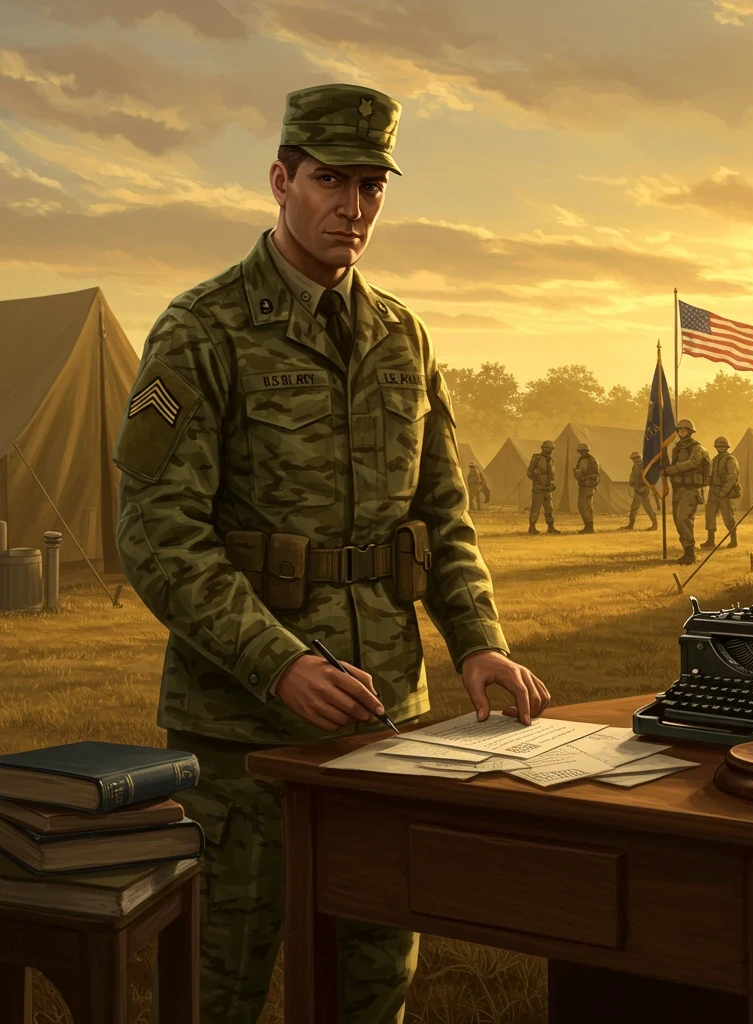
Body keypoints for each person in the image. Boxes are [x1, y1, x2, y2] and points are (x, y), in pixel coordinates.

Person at [112, 82, 551, 1024]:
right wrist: (280, 664)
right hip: (242, 738)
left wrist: (478, 642)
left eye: (370, 185)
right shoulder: (201, 331)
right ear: (280, 180)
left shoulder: (404, 337)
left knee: (373, 980)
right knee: (221, 981)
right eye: (328, 180)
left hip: (384, 720)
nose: (352, 208)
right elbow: (155, 530)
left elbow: (444, 516)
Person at [664, 418, 709, 565]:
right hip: (678, 488)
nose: (681, 433)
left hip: (691, 489)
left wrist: (672, 470)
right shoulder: (676, 448)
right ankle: (687, 551)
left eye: (684, 430)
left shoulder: (697, 448)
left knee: (683, 519)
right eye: (679, 431)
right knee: (678, 521)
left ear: (690, 432)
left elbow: (693, 463)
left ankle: (690, 554)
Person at [703, 436, 740, 549]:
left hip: (725, 493)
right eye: (718, 446)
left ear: (727, 447)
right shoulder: (714, 460)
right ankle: (710, 540)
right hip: (714, 491)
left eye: (722, 446)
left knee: (728, 516)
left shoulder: (730, 460)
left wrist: (723, 492)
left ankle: (733, 540)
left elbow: (732, 477)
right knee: (710, 516)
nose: (720, 448)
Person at [526, 440, 560, 534]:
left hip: (548, 489)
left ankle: (550, 527)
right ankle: (532, 527)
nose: (550, 451)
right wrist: (537, 477)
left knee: (549, 509)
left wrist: (551, 483)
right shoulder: (536, 458)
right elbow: (529, 473)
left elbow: (551, 474)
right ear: (543, 448)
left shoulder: (550, 460)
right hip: (538, 488)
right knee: (535, 508)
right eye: (549, 449)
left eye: (551, 449)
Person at [620, 450, 658, 531]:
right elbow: (634, 477)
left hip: (643, 489)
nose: (634, 460)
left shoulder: (643, 466)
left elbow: (645, 478)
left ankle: (654, 524)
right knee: (635, 507)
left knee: (647, 507)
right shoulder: (636, 466)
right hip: (639, 489)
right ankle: (631, 525)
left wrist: (640, 486)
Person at [573, 442, 600, 534]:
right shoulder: (593, 459)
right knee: (588, 506)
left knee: (583, 506)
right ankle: (589, 526)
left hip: (585, 485)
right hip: (591, 486)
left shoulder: (584, 460)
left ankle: (588, 527)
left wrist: (576, 473)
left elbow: (581, 473)